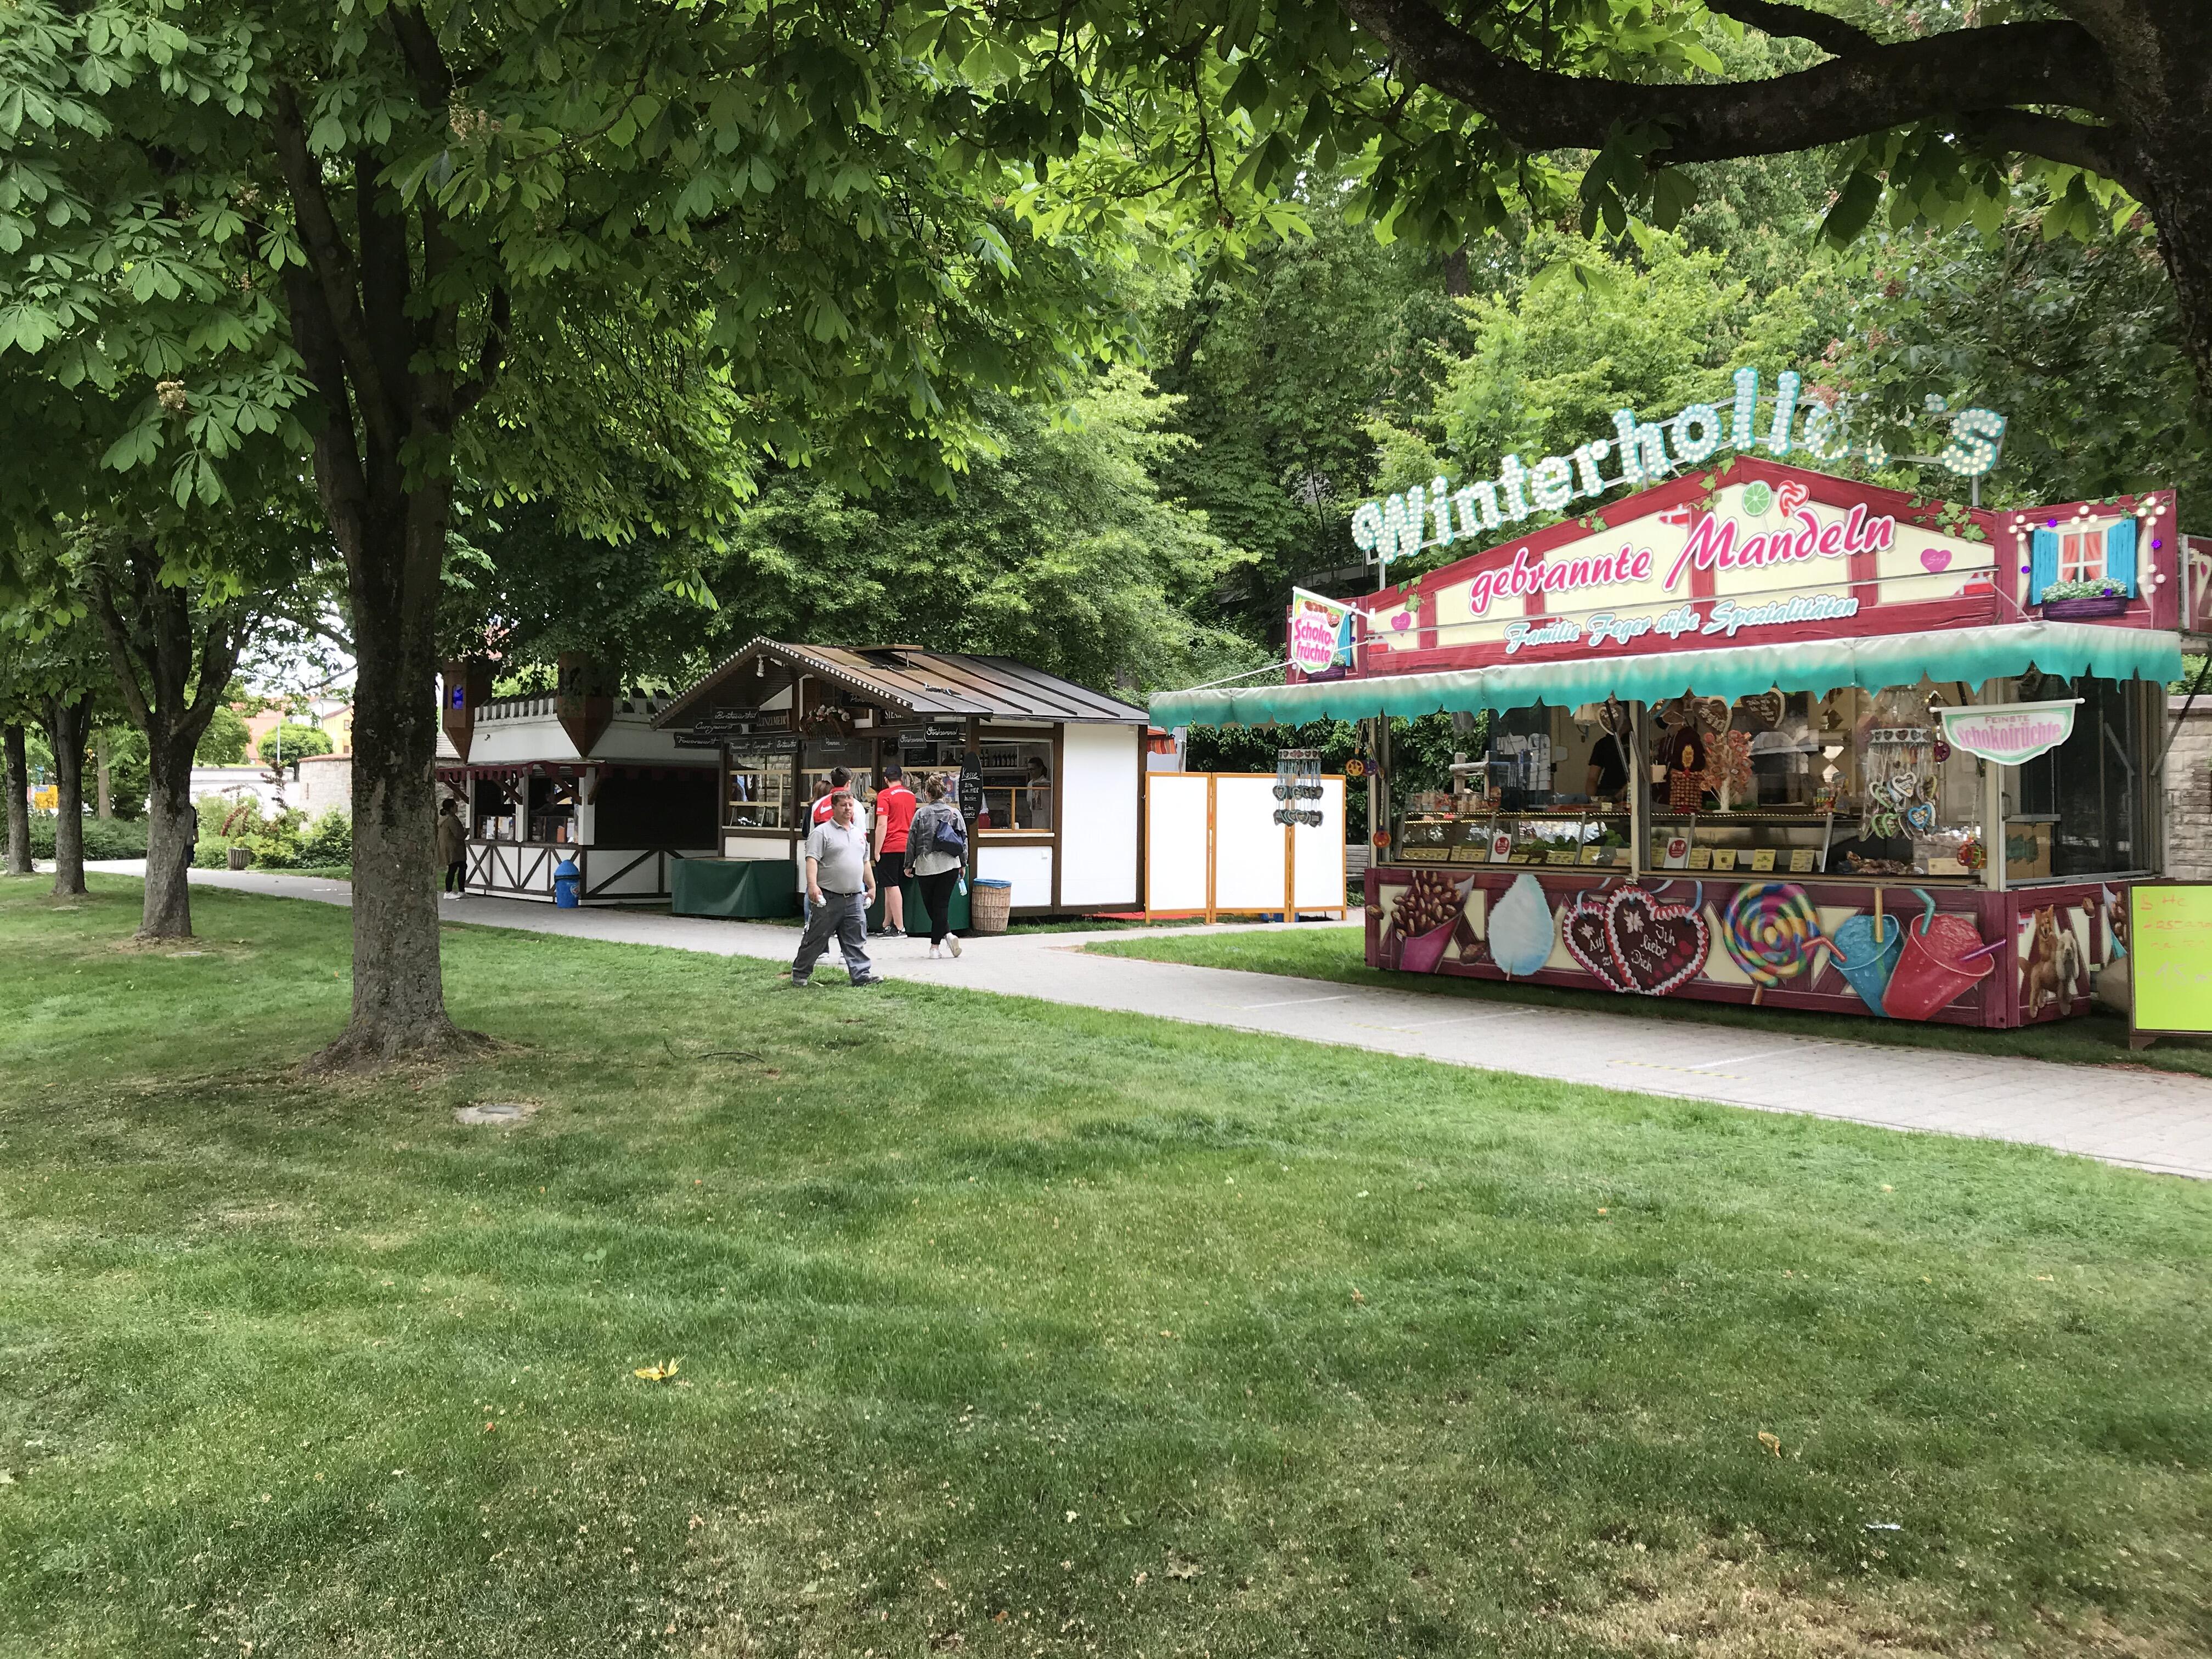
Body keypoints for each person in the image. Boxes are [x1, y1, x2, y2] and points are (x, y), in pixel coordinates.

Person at [791, 789, 879, 987]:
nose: (848, 809)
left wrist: (872, 887)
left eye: (851, 805)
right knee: (816, 938)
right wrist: (812, 886)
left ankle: (861, 975)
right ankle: (800, 974)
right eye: (843, 805)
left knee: (856, 939)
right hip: (829, 898)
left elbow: (865, 863)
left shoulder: (859, 835)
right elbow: (812, 860)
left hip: (855, 897)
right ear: (834, 808)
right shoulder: (821, 833)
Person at [905, 772, 965, 960]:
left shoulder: (921, 814)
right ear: (943, 792)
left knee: (931, 906)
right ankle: (946, 937)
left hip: (926, 866)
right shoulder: (955, 813)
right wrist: (963, 863)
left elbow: (912, 841)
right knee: (941, 906)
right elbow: (963, 840)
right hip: (950, 864)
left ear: (926, 793)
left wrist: (909, 864)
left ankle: (935, 946)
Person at [871, 763, 916, 938]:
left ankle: (900, 927)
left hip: (890, 845)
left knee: (891, 885)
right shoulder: (911, 796)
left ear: (886, 779)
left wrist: (877, 850)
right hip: (907, 846)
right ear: (902, 778)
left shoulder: (884, 795)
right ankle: (887, 924)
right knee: (891, 886)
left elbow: (882, 824)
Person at [436, 797, 467, 897]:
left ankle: (458, 891)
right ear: (451, 808)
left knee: (456, 868)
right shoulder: (451, 820)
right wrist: (467, 831)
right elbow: (459, 834)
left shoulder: (444, 819)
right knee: (456, 868)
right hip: (454, 848)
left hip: (449, 848)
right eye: (455, 806)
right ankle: (450, 891)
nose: (457, 807)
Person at [1022, 755, 1052, 829]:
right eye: (1029, 769)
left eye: (1032, 769)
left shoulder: (1046, 783)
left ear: (1040, 768)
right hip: (1034, 818)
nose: (1030, 772)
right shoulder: (1030, 784)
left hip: (1045, 818)